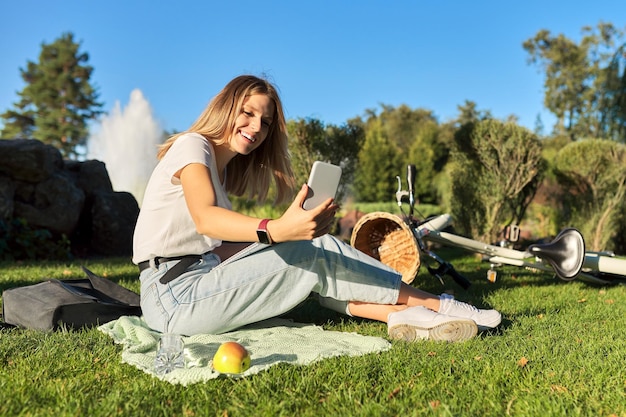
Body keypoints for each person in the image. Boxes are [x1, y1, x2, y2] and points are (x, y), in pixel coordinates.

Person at [133, 74, 501, 342]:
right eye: (247, 113)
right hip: (174, 297)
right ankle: (441, 305)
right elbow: (206, 217)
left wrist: (284, 236)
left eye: (265, 121)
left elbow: (215, 247)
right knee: (312, 254)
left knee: (313, 255)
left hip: (192, 284)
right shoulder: (193, 146)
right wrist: (276, 231)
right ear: (227, 106)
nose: (256, 127)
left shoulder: (218, 170)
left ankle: (407, 316)